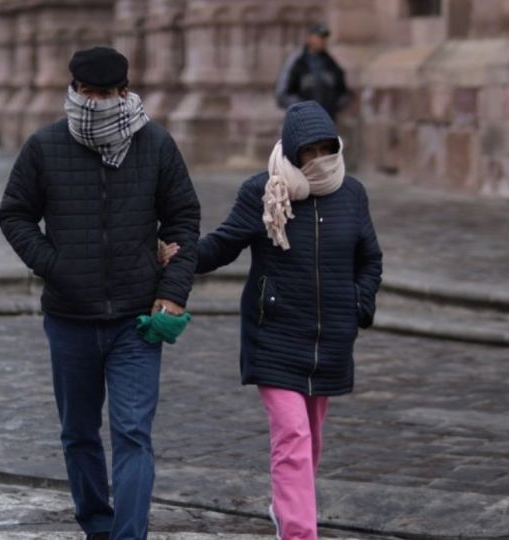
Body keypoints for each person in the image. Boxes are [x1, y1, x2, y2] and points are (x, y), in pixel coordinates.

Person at [0, 46, 201, 540]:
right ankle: (97, 525)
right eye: (86, 93)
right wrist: (54, 265)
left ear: (124, 93)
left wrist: (173, 291)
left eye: (105, 94)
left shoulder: (155, 144)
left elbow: (184, 221)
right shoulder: (45, 146)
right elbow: (14, 214)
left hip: (137, 320)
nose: (95, 103)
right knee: (80, 434)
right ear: (73, 90)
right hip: (70, 318)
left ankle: (129, 536)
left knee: (133, 433)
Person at [160, 101, 382, 540]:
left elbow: (369, 258)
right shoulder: (263, 191)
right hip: (275, 334)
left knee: (310, 442)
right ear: (294, 150)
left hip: (331, 339)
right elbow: (224, 244)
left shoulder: (351, 193)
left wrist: (359, 303)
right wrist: (181, 257)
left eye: (326, 148)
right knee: (293, 436)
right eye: (310, 150)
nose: (319, 159)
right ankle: (299, 532)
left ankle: (285, 505)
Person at [275, 23, 350, 120]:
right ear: (309, 38)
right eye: (319, 37)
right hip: (302, 122)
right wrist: (303, 108)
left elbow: (343, 92)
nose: (322, 41)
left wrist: (333, 106)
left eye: (324, 38)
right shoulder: (296, 62)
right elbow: (282, 95)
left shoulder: (331, 64)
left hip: (326, 121)